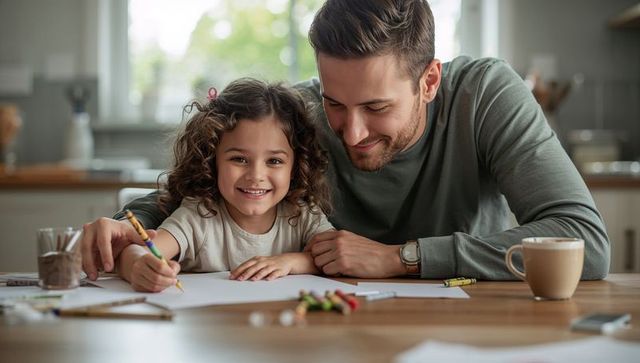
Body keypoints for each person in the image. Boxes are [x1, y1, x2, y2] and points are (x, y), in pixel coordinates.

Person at [82, 0, 609, 282]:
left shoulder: (487, 95)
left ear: (429, 82)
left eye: (376, 107)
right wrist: (132, 230)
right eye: (335, 102)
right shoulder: (303, 112)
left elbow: (584, 242)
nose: (350, 133)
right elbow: (199, 193)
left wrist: (402, 258)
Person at [114, 78, 333, 292]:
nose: (256, 175)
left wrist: (290, 262)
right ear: (211, 160)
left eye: (274, 161)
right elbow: (140, 252)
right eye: (239, 159)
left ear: (296, 166)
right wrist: (138, 266)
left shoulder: (304, 214)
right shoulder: (199, 215)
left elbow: (334, 259)